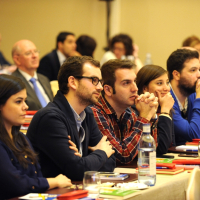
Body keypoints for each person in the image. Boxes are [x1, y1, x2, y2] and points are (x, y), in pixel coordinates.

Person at [27, 56, 115, 181]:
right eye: (94, 80)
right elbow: (78, 170)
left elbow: (111, 162)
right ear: (72, 82)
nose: (100, 87)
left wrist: (85, 161)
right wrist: (101, 153)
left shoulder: (87, 114)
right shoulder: (50, 118)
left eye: (100, 81)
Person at [0, 74, 72, 200]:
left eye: (25, 101)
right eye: (18, 101)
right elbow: (16, 184)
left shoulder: (21, 138)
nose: (26, 107)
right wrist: (54, 181)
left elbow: (36, 176)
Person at [90, 59, 158, 164]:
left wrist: (152, 115)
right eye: (126, 83)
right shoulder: (95, 113)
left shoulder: (129, 112)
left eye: (134, 81)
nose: (135, 88)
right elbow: (123, 156)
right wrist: (144, 118)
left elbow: (149, 152)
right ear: (108, 90)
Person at [136, 65, 175, 154]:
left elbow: (171, 145)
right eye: (159, 83)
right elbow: (161, 149)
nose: (167, 88)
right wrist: (165, 112)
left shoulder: (163, 106)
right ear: (145, 88)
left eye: (167, 82)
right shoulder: (137, 110)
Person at [167, 49, 200, 145]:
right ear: (176, 75)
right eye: (193, 70)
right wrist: (199, 99)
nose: (199, 75)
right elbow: (195, 135)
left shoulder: (193, 94)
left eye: (199, 69)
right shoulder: (166, 99)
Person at [12, 40, 53, 110]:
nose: (35, 56)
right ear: (17, 59)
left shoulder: (44, 79)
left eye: (36, 51)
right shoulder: (13, 82)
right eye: (28, 53)